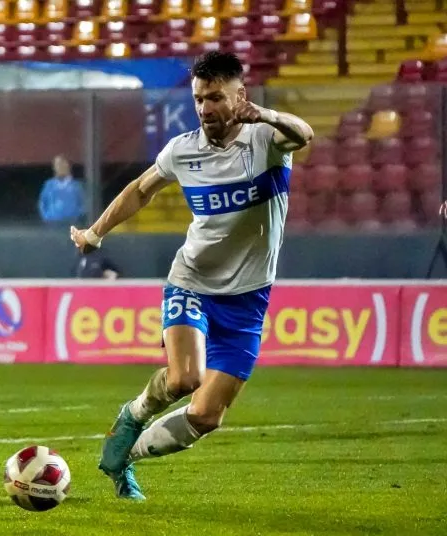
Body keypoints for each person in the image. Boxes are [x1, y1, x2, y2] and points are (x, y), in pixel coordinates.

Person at [70, 51, 314, 500]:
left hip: (248, 301)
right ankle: (134, 413)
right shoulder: (182, 149)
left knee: (205, 417)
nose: (205, 108)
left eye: (215, 97)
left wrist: (267, 115)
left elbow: (305, 133)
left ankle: (124, 456)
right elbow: (140, 190)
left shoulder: (266, 141)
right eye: (199, 99)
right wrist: (94, 233)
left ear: (240, 96)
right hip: (192, 282)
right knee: (184, 379)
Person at [38, 155, 85, 225]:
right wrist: (47, 217)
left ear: (68, 166)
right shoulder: (49, 185)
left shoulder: (77, 186)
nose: (59, 167)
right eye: (57, 165)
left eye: (62, 164)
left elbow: (84, 204)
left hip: (72, 224)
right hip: (52, 224)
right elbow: (42, 203)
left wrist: (76, 216)